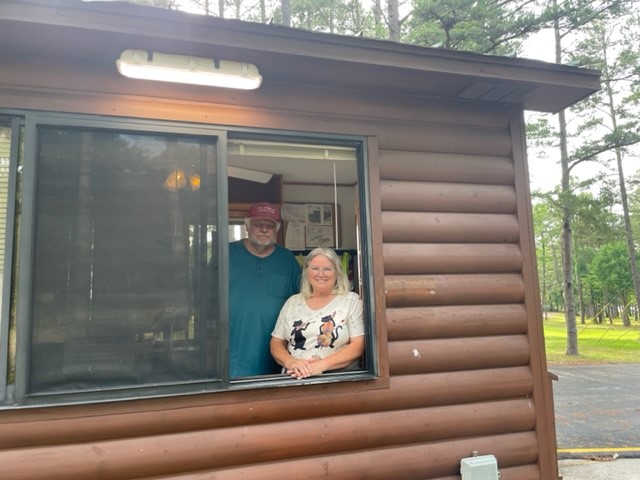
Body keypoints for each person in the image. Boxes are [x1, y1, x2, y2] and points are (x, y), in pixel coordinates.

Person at [229, 202, 301, 378]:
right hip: (233, 352)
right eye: (257, 224)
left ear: (276, 230)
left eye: (269, 225)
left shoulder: (287, 260)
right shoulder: (226, 254)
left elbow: (301, 303)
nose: (264, 229)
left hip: (277, 353)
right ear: (247, 226)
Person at [270, 247, 364, 379]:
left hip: (338, 382)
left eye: (327, 269)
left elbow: (358, 345)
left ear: (337, 273)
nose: (321, 274)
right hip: (294, 380)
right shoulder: (292, 302)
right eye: (315, 268)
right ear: (307, 272)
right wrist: (292, 363)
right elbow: (276, 343)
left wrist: (320, 366)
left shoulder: (350, 300)